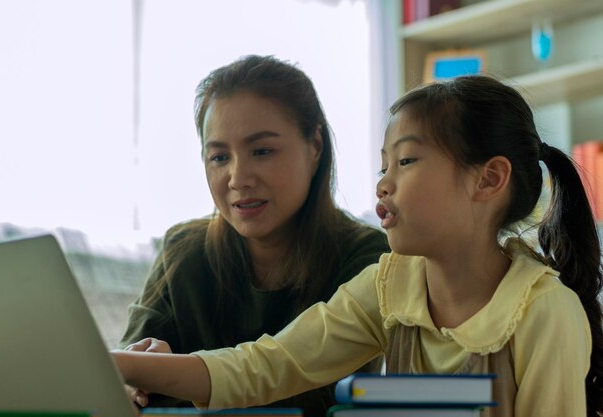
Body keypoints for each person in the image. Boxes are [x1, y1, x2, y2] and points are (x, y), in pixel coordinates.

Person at [113, 75, 603, 417]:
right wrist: (114, 363)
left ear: (489, 179)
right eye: (381, 167)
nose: (383, 186)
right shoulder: (391, 286)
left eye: (406, 162)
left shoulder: (544, 312)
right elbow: (268, 365)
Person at [118, 55, 390, 416]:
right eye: (218, 157)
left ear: (315, 146)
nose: (238, 178)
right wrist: (132, 381)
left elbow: (316, 402)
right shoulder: (184, 251)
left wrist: (171, 378)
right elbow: (126, 378)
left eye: (262, 151)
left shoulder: (370, 258)